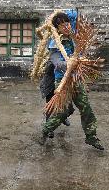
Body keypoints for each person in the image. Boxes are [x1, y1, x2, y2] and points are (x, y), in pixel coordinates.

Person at [40, 10, 103, 150]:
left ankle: (91, 137)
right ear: (58, 29)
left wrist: (60, 13)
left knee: (86, 107)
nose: (67, 27)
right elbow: (56, 62)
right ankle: (46, 129)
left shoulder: (73, 33)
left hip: (76, 79)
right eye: (62, 26)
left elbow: (75, 14)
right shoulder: (55, 43)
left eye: (67, 23)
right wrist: (68, 64)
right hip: (62, 80)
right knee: (61, 112)